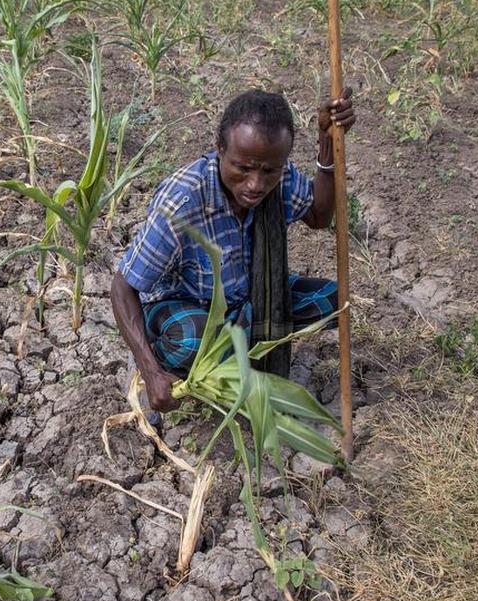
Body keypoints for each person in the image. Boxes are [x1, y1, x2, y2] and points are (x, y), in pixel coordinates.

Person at [110, 89, 356, 415]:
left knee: (335, 302)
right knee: (191, 339)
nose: (255, 184)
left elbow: (319, 216)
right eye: (243, 168)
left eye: (269, 171)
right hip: (182, 307)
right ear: (220, 149)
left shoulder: (277, 176)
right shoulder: (183, 200)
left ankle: (242, 351)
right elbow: (122, 287)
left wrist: (328, 142)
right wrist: (150, 371)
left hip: (245, 302)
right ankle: (158, 357)